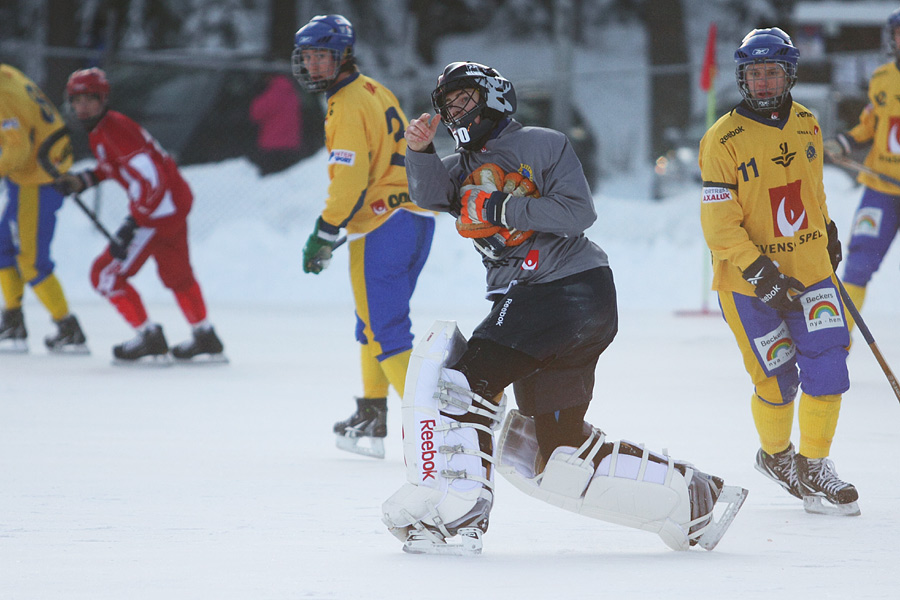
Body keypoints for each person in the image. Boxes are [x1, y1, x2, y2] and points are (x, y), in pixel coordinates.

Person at [381, 61, 747, 556]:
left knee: (465, 385)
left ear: (494, 97)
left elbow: (578, 212)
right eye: (448, 105)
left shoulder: (541, 142)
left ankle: (460, 518)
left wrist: (500, 208)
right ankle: (695, 499)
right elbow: (430, 196)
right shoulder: (462, 165)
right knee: (560, 453)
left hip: (564, 289)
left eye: (464, 99)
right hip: (562, 304)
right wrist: (420, 148)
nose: (454, 111)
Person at [699, 28, 859, 517]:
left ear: (788, 74)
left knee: (829, 365)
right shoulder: (722, 138)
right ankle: (775, 456)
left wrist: (827, 231)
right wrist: (761, 274)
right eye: (754, 73)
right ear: (742, 77)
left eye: (772, 72)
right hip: (750, 285)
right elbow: (719, 226)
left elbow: (813, 191)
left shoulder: (808, 122)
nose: (763, 82)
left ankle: (814, 464)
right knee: (777, 380)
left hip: (810, 274)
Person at [291, 15, 435, 459]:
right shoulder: (374, 89)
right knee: (373, 323)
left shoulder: (347, 104)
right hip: (413, 218)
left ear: (343, 56)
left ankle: (433, 429)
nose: (314, 66)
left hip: (380, 226)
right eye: (308, 57)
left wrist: (324, 232)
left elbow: (350, 180)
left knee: (387, 329)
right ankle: (373, 412)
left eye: (322, 57)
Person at [53, 67, 225, 364]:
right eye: (76, 99)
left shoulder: (114, 131)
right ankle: (204, 335)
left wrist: (132, 224)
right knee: (178, 277)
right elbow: (116, 167)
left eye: (90, 99)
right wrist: (83, 181)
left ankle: (149, 337)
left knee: (105, 275)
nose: (82, 106)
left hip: (155, 214)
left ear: (103, 98)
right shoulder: (105, 129)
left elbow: (151, 180)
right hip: (172, 205)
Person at [0, 63, 88, 354]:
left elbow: (19, 147)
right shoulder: (7, 73)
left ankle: (67, 327)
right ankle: (13, 321)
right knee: (2, 246)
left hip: (36, 178)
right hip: (34, 171)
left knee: (31, 260)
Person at [823, 8, 900, 331]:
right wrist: (843, 142)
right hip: (880, 188)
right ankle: (840, 341)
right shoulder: (882, 78)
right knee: (858, 262)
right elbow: (870, 125)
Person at [249, 73, 302, 176]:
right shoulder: (292, 93)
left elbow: (255, 113)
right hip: (292, 144)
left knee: (270, 180)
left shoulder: (272, 94)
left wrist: (257, 94)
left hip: (272, 145)